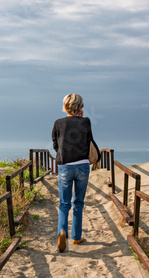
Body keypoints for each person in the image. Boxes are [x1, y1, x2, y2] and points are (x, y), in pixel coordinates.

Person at [52, 94, 93, 252]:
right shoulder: (86, 122)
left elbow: (55, 143)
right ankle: (76, 237)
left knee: (64, 203)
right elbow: (89, 140)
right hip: (82, 165)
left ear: (65, 106)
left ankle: (62, 232)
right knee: (78, 203)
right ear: (80, 106)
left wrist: (63, 155)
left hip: (65, 166)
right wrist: (81, 119)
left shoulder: (58, 123)